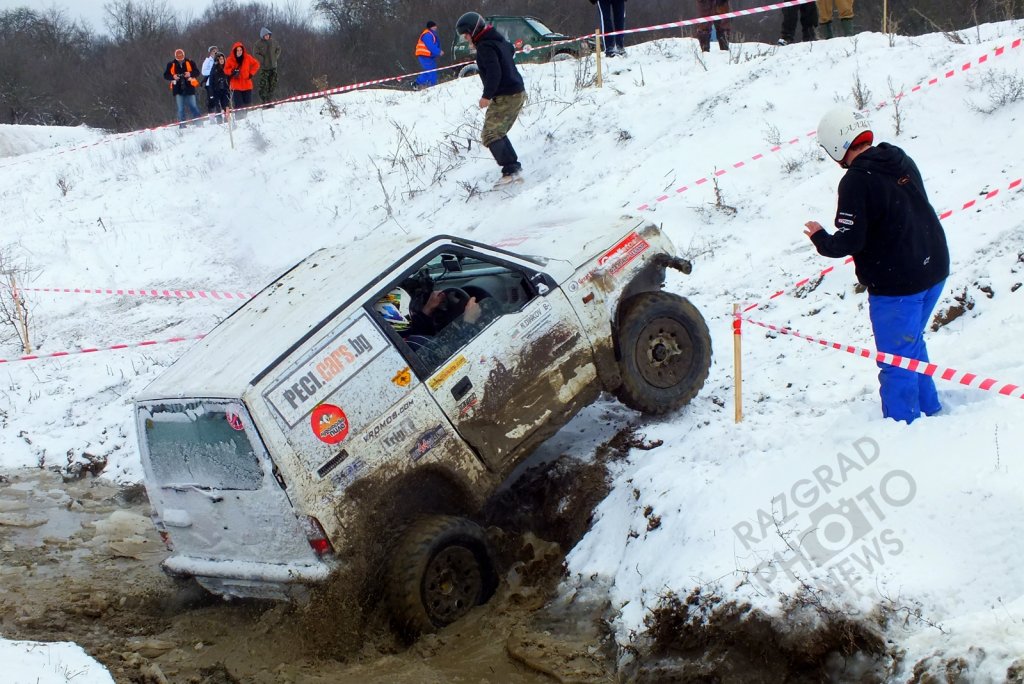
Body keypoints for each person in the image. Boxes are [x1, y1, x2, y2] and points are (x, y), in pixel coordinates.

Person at [803, 108, 949, 424]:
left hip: (899, 283)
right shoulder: (898, 157)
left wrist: (820, 238)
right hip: (934, 265)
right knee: (910, 344)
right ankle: (931, 410)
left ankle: (904, 427)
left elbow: (850, 240)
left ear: (836, 145)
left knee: (896, 360)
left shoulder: (856, 181)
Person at [455, 11, 527, 187]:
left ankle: (511, 171)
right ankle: (512, 168)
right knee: (496, 133)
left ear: (473, 31)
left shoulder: (485, 47)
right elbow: (510, 49)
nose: (465, 39)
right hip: (516, 92)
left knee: (490, 134)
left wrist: (487, 95)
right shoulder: (497, 39)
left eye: (466, 35)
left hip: (506, 95)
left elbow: (495, 72)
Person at [163, 48, 202, 128]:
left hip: (189, 88)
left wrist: (190, 74)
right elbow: (166, 75)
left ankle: (199, 123)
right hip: (177, 89)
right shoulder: (171, 64)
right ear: (175, 56)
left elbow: (197, 72)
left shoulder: (190, 62)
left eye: (181, 55)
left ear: (184, 55)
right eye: (178, 56)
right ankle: (182, 125)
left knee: (193, 106)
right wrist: (173, 76)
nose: (180, 57)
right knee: (180, 109)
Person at [223, 42, 260, 119]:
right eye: (237, 50)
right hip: (236, 85)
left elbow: (256, 64)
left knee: (247, 102)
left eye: (240, 50)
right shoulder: (230, 59)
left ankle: (245, 118)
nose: (239, 52)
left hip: (247, 84)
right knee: (238, 104)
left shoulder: (247, 57)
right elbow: (225, 70)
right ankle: (239, 118)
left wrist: (251, 74)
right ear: (234, 51)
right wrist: (232, 71)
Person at [253, 27, 281, 105]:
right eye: (265, 35)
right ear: (262, 36)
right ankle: (264, 101)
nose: (267, 36)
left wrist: (275, 57)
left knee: (273, 84)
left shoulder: (273, 42)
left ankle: (270, 100)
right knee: (263, 85)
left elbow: (278, 49)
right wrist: (262, 60)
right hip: (264, 68)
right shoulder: (258, 44)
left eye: (268, 35)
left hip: (273, 66)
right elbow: (255, 53)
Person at [413, 21, 444, 89]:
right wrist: (438, 51)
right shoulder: (427, 34)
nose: (436, 27)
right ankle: (433, 87)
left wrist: (438, 51)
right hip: (424, 55)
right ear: (431, 27)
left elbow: (435, 45)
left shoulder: (431, 34)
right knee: (431, 71)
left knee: (430, 70)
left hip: (428, 56)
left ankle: (417, 83)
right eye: (434, 26)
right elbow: (430, 45)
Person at [207, 51, 232, 123]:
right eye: (220, 59)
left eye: (222, 59)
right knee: (218, 106)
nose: (222, 60)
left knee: (226, 104)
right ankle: (219, 120)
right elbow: (211, 81)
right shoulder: (214, 69)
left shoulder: (226, 67)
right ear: (217, 60)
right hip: (216, 90)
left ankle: (227, 119)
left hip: (225, 89)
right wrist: (211, 93)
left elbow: (229, 77)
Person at [201, 45, 218, 115]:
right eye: (214, 51)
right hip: (210, 84)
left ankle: (220, 115)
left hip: (218, 83)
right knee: (211, 100)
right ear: (210, 52)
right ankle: (211, 116)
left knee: (218, 99)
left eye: (216, 51)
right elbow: (203, 72)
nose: (215, 53)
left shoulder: (219, 60)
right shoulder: (207, 61)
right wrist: (213, 72)